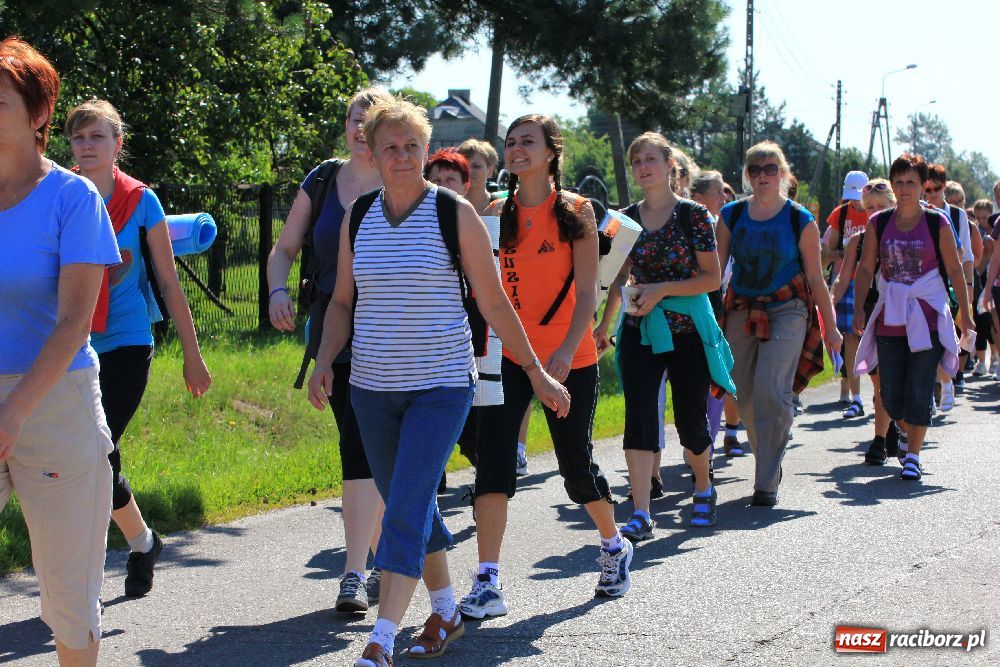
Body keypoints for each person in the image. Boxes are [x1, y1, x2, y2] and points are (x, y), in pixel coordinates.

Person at [306, 98, 569, 667]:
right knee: (414, 503)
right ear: (372, 154)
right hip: (372, 388)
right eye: (391, 147)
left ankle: (379, 641)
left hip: (442, 384)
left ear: (427, 151)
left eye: (413, 146)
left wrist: (536, 371)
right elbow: (342, 302)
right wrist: (325, 359)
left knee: (401, 505)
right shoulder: (360, 216)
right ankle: (445, 610)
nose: (402, 156)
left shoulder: (454, 214)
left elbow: (495, 302)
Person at [460, 114, 632, 622]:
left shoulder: (578, 211)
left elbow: (587, 295)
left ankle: (614, 543)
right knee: (492, 462)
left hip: (568, 358)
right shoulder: (493, 210)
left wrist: (566, 350)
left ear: (551, 151)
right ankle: (488, 580)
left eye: (527, 142)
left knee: (574, 466)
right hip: (509, 356)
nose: (516, 150)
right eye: (511, 143)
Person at [0, 36, 121, 666]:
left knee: (69, 606)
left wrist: (14, 408)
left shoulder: (72, 198)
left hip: (54, 401)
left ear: (38, 115)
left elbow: (76, 321)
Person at [65, 99, 212, 597]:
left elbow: (170, 284)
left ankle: (78, 580)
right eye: (79, 138)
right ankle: (144, 542)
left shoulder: (141, 201)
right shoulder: (62, 194)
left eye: (96, 137)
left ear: (117, 145)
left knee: (94, 451)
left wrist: (193, 355)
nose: (86, 147)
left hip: (127, 342)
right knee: (94, 456)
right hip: (70, 343)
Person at [267, 87, 392, 613]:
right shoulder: (321, 180)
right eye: (352, 119)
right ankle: (359, 572)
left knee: (383, 448)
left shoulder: (403, 179)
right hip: (334, 329)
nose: (359, 128)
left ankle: (382, 562)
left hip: (392, 329)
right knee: (357, 442)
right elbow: (285, 248)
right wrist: (277, 288)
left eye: (370, 120)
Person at [595, 134, 731, 536]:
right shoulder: (622, 219)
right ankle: (641, 512)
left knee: (691, 420)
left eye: (650, 158)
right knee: (638, 417)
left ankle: (704, 488)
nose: (642, 167)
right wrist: (604, 326)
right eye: (636, 160)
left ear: (670, 163)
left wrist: (663, 288)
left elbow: (712, 278)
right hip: (640, 329)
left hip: (687, 330)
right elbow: (616, 275)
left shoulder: (694, 215)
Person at [716, 141, 842, 507]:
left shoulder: (799, 219)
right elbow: (715, 274)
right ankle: (769, 456)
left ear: (784, 174)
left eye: (770, 168)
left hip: (788, 309)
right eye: (754, 170)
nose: (762, 176)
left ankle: (766, 480)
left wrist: (831, 328)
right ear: (747, 176)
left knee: (772, 388)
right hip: (741, 306)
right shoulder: (731, 216)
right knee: (744, 393)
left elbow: (817, 280)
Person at [853, 153, 974, 480]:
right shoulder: (879, 222)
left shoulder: (938, 222)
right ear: (892, 185)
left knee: (920, 387)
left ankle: (913, 457)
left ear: (923, 186)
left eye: (912, 182)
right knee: (891, 395)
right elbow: (866, 267)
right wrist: (858, 309)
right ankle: (906, 432)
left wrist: (966, 314)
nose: (905, 188)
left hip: (928, 316)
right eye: (900, 182)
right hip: (890, 316)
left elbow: (953, 269)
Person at [830, 179, 900, 464]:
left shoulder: (901, 235)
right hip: (870, 311)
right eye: (868, 207)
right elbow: (843, 277)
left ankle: (880, 440)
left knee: (889, 380)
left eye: (879, 207)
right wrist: (826, 302)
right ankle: (888, 427)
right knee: (878, 378)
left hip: (898, 309)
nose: (873, 212)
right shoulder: (857, 241)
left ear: (892, 205)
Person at [689, 170, 738, 454]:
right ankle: (698, 445)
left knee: (720, 375)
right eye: (717, 191)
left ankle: (712, 440)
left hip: (721, 311)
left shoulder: (725, 227)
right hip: (693, 312)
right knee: (697, 381)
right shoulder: (686, 226)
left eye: (723, 191)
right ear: (698, 198)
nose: (724, 196)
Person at [923, 164, 974, 409]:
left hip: (950, 286)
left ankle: (946, 382)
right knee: (928, 338)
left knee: (945, 337)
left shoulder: (956, 215)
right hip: (924, 286)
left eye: (936, 189)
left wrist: (968, 285)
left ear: (944, 187)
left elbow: (965, 254)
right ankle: (934, 389)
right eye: (927, 189)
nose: (931, 194)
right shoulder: (918, 212)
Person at [823, 171, 870, 416]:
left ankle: (882, 395)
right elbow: (827, 252)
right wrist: (848, 252)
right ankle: (857, 397)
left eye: (858, 196)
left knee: (875, 340)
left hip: (874, 283)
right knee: (851, 337)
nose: (855, 202)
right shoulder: (839, 215)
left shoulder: (878, 212)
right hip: (846, 281)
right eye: (850, 197)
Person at [970, 199, 996, 376]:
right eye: (978, 218)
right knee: (981, 320)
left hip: (995, 281)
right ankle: (981, 361)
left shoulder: (996, 232)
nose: (982, 221)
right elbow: (978, 269)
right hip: (982, 279)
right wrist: (986, 254)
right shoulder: (977, 233)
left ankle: (995, 356)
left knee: (992, 322)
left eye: (985, 217)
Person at [456, 138, 500, 215]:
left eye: (476, 166)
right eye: (464, 166)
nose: (469, 171)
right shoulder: (450, 205)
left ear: (490, 170)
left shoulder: (500, 207)